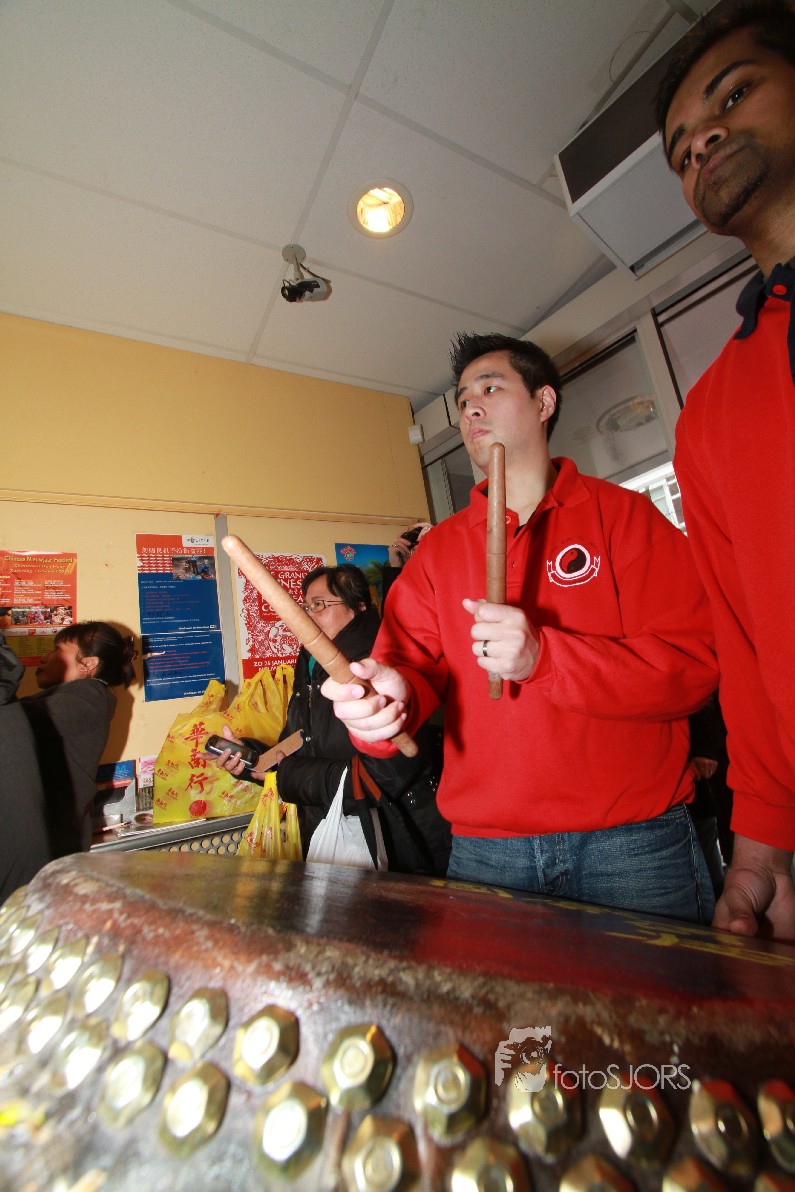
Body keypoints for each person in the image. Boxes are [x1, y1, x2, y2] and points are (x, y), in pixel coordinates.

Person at [322, 332, 719, 922]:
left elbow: (692, 670)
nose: (471, 408)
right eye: (463, 400)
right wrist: (383, 708)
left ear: (544, 401)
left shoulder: (626, 517)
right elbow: (405, 674)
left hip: (634, 840)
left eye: (490, 388)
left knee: (661, 989)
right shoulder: (436, 554)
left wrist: (545, 659)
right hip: (489, 851)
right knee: (507, 998)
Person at [656, 0, 795, 941]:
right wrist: (762, 850)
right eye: (678, 153)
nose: (701, 141)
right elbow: (744, 648)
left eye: (734, 94)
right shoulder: (707, 411)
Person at [213, 564, 450, 875]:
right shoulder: (309, 668)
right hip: (331, 835)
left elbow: (381, 777)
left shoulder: (381, 667)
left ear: (359, 607)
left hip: (397, 845)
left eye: (320, 605)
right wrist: (254, 759)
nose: (308, 615)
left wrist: (286, 776)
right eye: (306, 606)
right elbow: (299, 744)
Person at [0, 620, 137, 902]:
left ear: (88, 664)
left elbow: (17, 723)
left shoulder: (88, 696)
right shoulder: (74, 696)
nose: (44, 657)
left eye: (56, 650)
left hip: (52, 844)